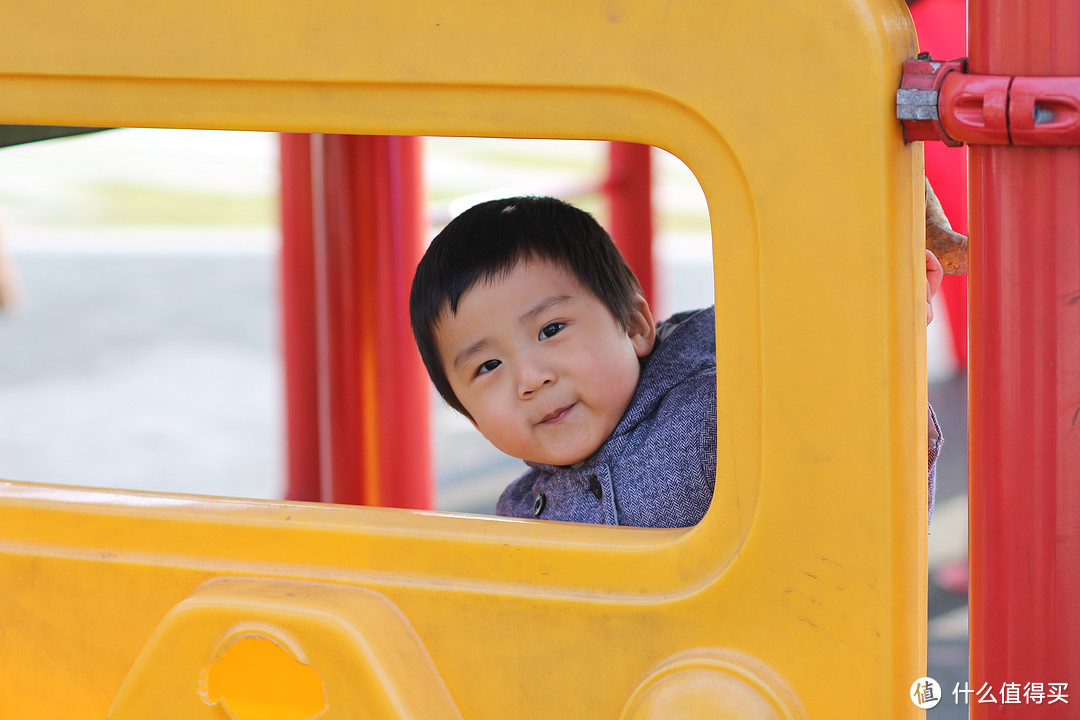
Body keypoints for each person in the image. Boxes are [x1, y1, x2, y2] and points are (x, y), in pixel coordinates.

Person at [410, 196, 940, 528]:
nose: (531, 378)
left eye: (551, 330)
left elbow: (833, 410)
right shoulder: (519, 513)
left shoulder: (716, 408)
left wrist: (877, 318)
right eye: (487, 367)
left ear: (636, 326)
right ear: (469, 416)